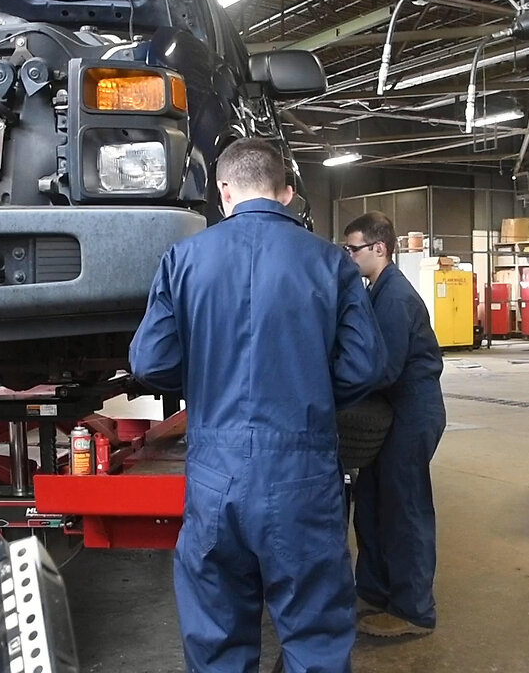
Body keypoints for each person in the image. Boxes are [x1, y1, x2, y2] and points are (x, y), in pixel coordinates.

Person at [130, 138, 385, 673]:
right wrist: (307, 389)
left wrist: (207, 380)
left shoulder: (183, 258)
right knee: (314, 628)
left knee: (218, 629)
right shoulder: (330, 262)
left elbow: (150, 360)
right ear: (287, 193)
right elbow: (365, 366)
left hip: (215, 472)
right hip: (303, 468)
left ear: (224, 191)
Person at [341, 211, 446, 638]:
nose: (348, 257)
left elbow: (381, 370)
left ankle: (413, 610)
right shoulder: (375, 290)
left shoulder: (395, 298)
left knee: (404, 509)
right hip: (390, 412)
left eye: (353, 249)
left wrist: (332, 384)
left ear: (379, 249)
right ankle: (376, 590)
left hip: (411, 411)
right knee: (371, 503)